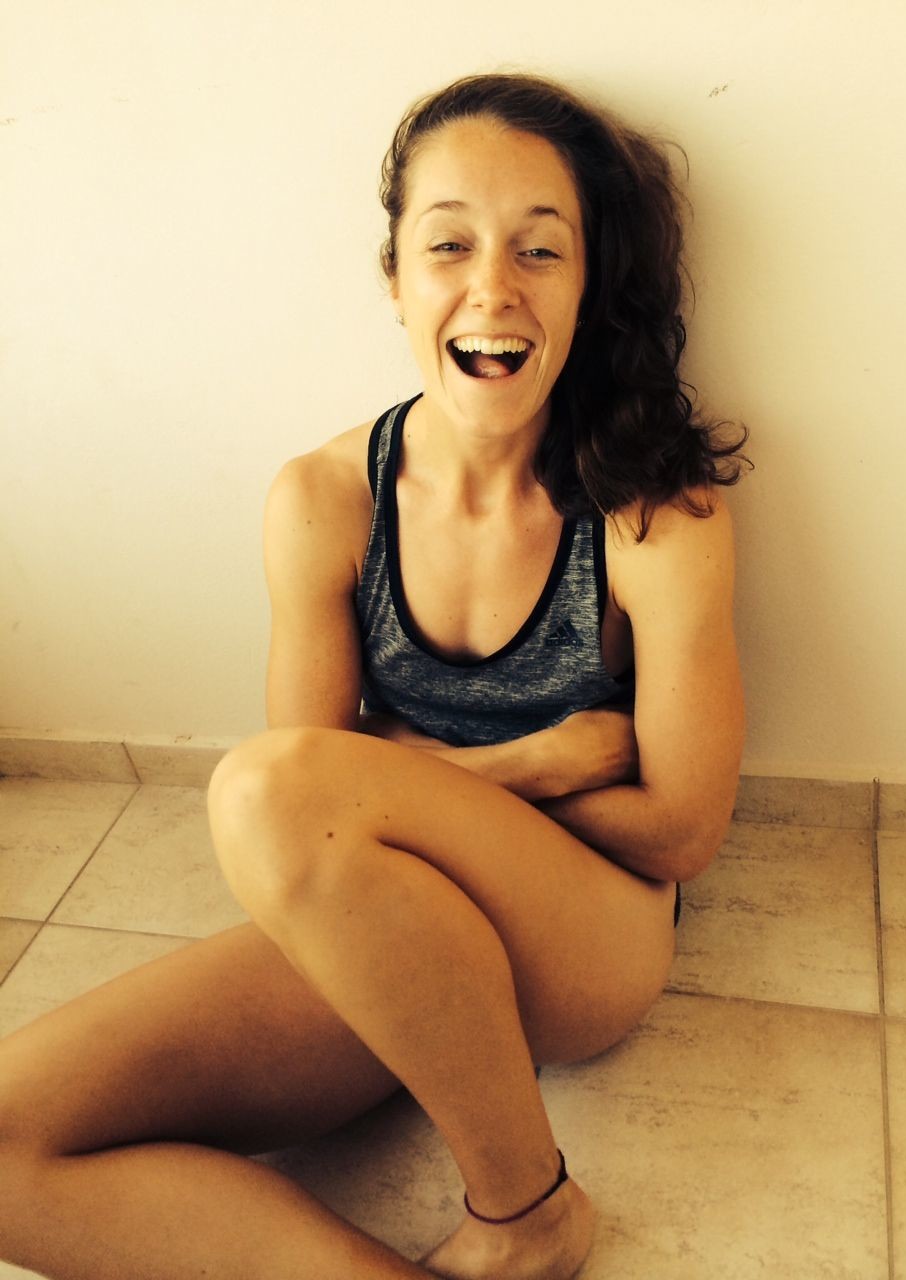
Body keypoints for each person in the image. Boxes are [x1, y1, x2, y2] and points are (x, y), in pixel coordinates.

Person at [0, 72, 747, 1280]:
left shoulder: (653, 512)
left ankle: (526, 1209)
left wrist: (401, 777)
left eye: (539, 249)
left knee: (269, 786)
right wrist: (534, 761)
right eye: (449, 244)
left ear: (589, 281)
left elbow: (680, 827)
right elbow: (308, 821)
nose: (492, 288)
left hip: (589, 930)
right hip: (392, 928)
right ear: (395, 276)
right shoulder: (323, 500)